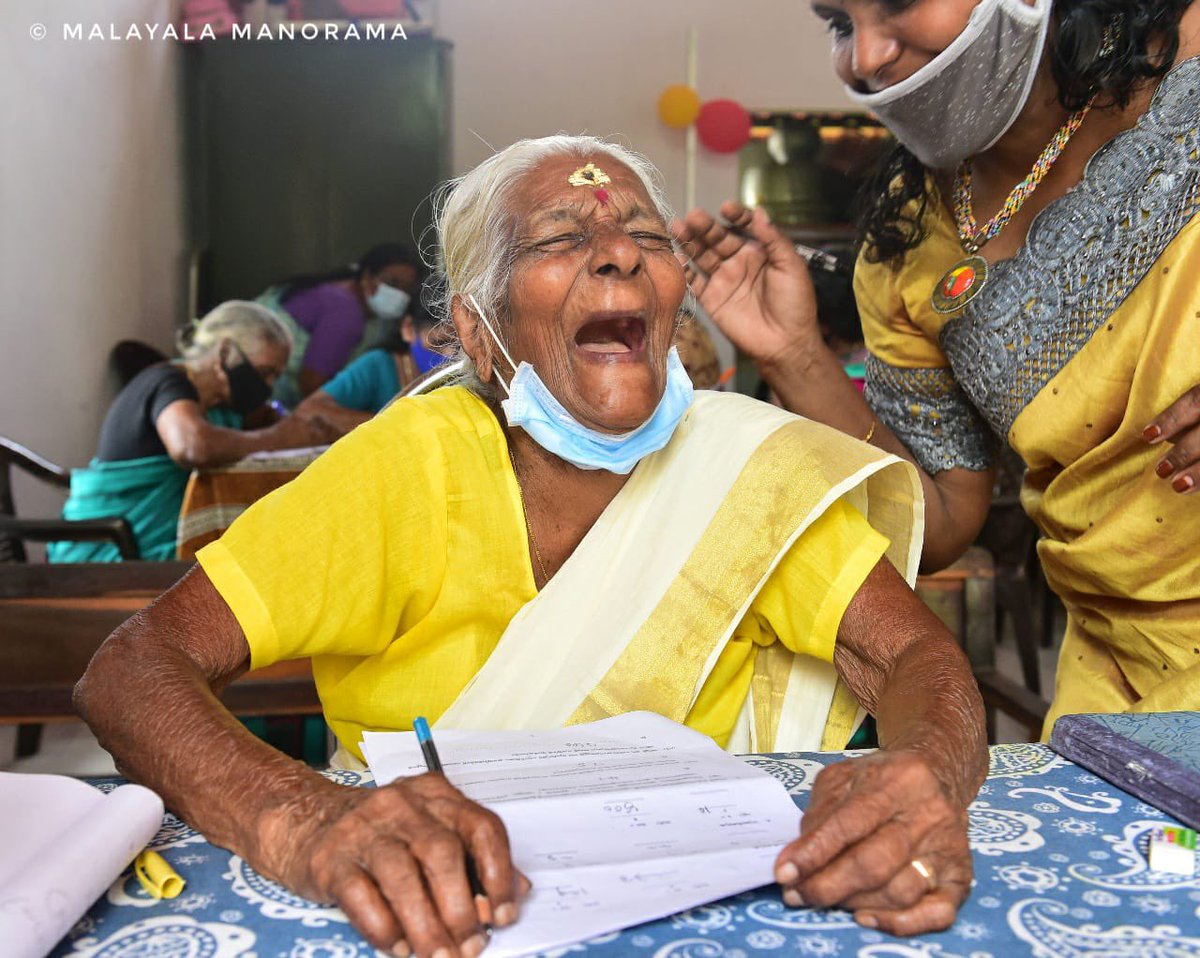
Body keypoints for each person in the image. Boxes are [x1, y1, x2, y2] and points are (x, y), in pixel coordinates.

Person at [77, 137, 986, 957]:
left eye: (647, 234)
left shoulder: (746, 467)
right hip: (433, 920)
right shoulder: (405, 468)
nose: (620, 250)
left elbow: (912, 652)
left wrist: (920, 773)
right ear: (479, 329)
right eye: (558, 239)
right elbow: (130, 670)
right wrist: (306, 824)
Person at [676, 0, 1200, 735]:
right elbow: (944, 521)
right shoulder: (906, 241)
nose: (864, 58)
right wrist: (794, 354)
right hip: (1115, 680)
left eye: (897, 4)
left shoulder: (1187, 55)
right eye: (837, 24)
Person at [49, 302, 335, 562]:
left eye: (276, 377)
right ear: (225, 353)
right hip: (107, 549)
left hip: (147, 547)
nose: (268, 386)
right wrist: (279, 439)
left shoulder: (224, 408)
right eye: (264, 373)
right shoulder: (167, 382)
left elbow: (264, 429)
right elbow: (192, 447)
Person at [260, 243, 425, 405]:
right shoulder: (346, 312)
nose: (400, 295)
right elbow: (311, 386)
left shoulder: (349, 294)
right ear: (367, 277)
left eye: (408, 289)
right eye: (392, 284)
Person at [293, 302, 447, 436]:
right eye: (440, 342)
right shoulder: (379, 365)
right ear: (408, 329)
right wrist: (396, 426)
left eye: (458, 345)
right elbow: (310, 409)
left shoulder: (466, 372)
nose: (450, 354)